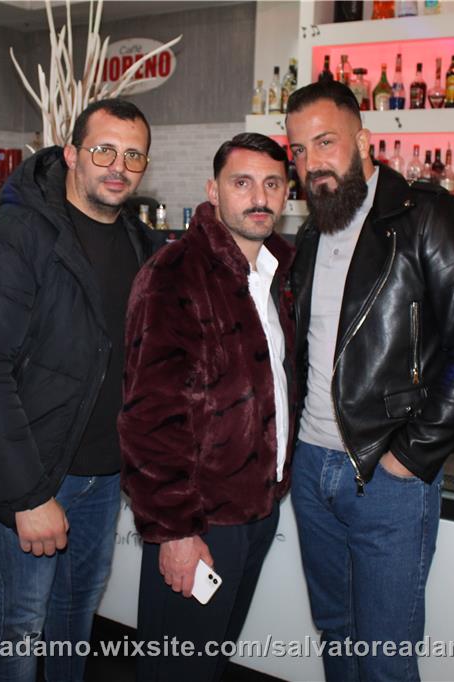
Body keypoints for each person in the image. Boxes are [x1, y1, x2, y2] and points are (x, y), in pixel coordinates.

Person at [283, 80, 454, 681]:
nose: (311, 163)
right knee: (336, 636)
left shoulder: (425, 215)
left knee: (385, 657)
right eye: (298, 150)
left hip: (386, 476)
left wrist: (409, 457)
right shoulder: (310, 233)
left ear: (364, 141)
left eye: (325, 142)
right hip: (312, 469)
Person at [0, 99, 157, 682]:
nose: (119, 166)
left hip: (103, 477)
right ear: (73, 153)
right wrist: (27, 496)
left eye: (133, 155)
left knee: (75, 617)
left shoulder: (141, 244)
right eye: (104, 150)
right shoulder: (16, 234)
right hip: (32, 474)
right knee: (22, 624)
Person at [118, 133, 296, 682]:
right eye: (242, 183)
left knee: (209, 663)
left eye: (272, 184)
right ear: (213, 191)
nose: (259, 197)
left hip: (257, 507)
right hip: (199, 518)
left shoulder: (276, 274)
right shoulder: (175, 274)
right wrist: (174, 531)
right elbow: (150, 418)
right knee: (177, 672)